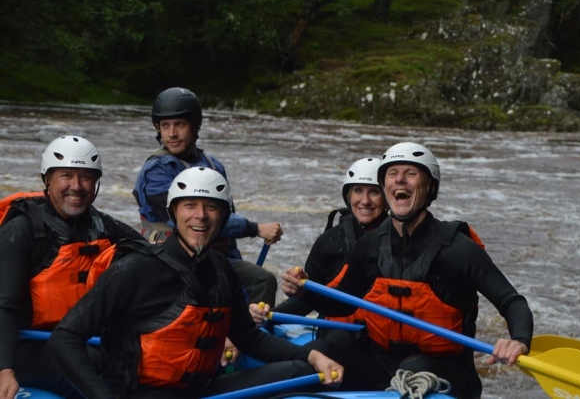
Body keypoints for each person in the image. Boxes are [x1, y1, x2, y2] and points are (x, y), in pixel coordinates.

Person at [49, 167, 343, 399]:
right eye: (190, 205)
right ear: (174, 213)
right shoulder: (135, 269)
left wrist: (314, 355)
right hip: (142, 393)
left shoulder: (221, 270)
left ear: (223, 216)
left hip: (203, 390)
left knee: (301, 370)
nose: (200, 216)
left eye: (211, 207)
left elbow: (250, 339)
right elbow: (65, 338)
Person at [281, 142, 533, 398]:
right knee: (320, 351)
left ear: (430, 187)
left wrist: (518, 340)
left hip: (446, 372)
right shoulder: (370, 246)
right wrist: (304, 291)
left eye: (411, 173)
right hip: (381, 364)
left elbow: (512, 301)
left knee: (413, 368)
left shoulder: (458, 249)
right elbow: (343, 304)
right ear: (386, 186)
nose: (399, 179)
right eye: (392, 174)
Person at [0, 136, 145, 399]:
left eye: (86, 177)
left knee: (130, 366)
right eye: (66, 176)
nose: (76, 186)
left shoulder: (103, 226)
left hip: (79, 341)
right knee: (95, 375)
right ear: (47, 180)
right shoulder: (21, 231)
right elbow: (5, 306)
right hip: (26, 344)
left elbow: (156, 258)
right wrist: (4, 370)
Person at [132, 86, 281, 307]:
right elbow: (192, 220)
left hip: (213, 259)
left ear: (194, 126)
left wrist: (234, 273)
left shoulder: (213, 166)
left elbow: (224, 222)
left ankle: (249, 335)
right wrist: (254, 228)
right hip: (169, 260)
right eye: (165, 126)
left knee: (262, 280)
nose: (172, 133)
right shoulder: (156, 171)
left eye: (179, 125)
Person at [250, 157, 388, 329]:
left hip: (382, 334)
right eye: (358, 191)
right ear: (348, 196)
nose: (365, 201)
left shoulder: (399, 240)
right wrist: (269, 317)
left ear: (387, 197)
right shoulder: (330, 241)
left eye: (374, 192)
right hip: (338, 331)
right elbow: (306, 301)